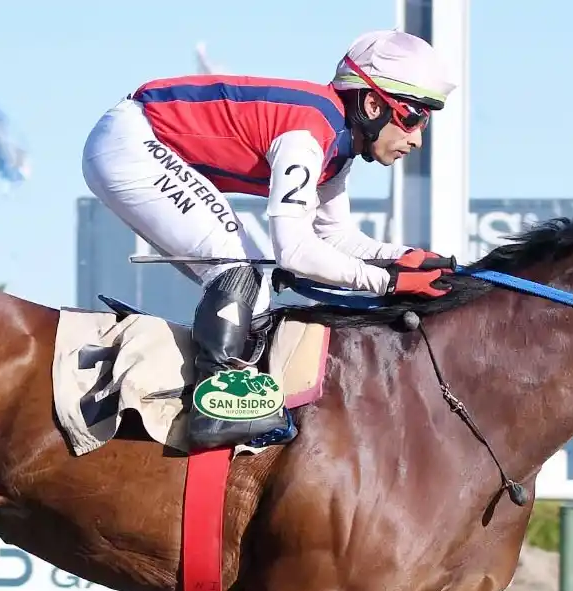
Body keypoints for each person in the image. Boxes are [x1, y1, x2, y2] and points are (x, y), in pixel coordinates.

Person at [81, 28, 459, 451]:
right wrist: (387, 282)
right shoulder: (309, 135)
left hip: (133, 139)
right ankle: (216, 407)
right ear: (373, 104)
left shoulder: (337, 147)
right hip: (131, 142)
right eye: (414, 116)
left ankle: (218, 392)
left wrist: (404, 258)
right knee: (238, 266)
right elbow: (295, 251)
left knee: (253, 282)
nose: (418, 137)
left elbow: (336, 237)